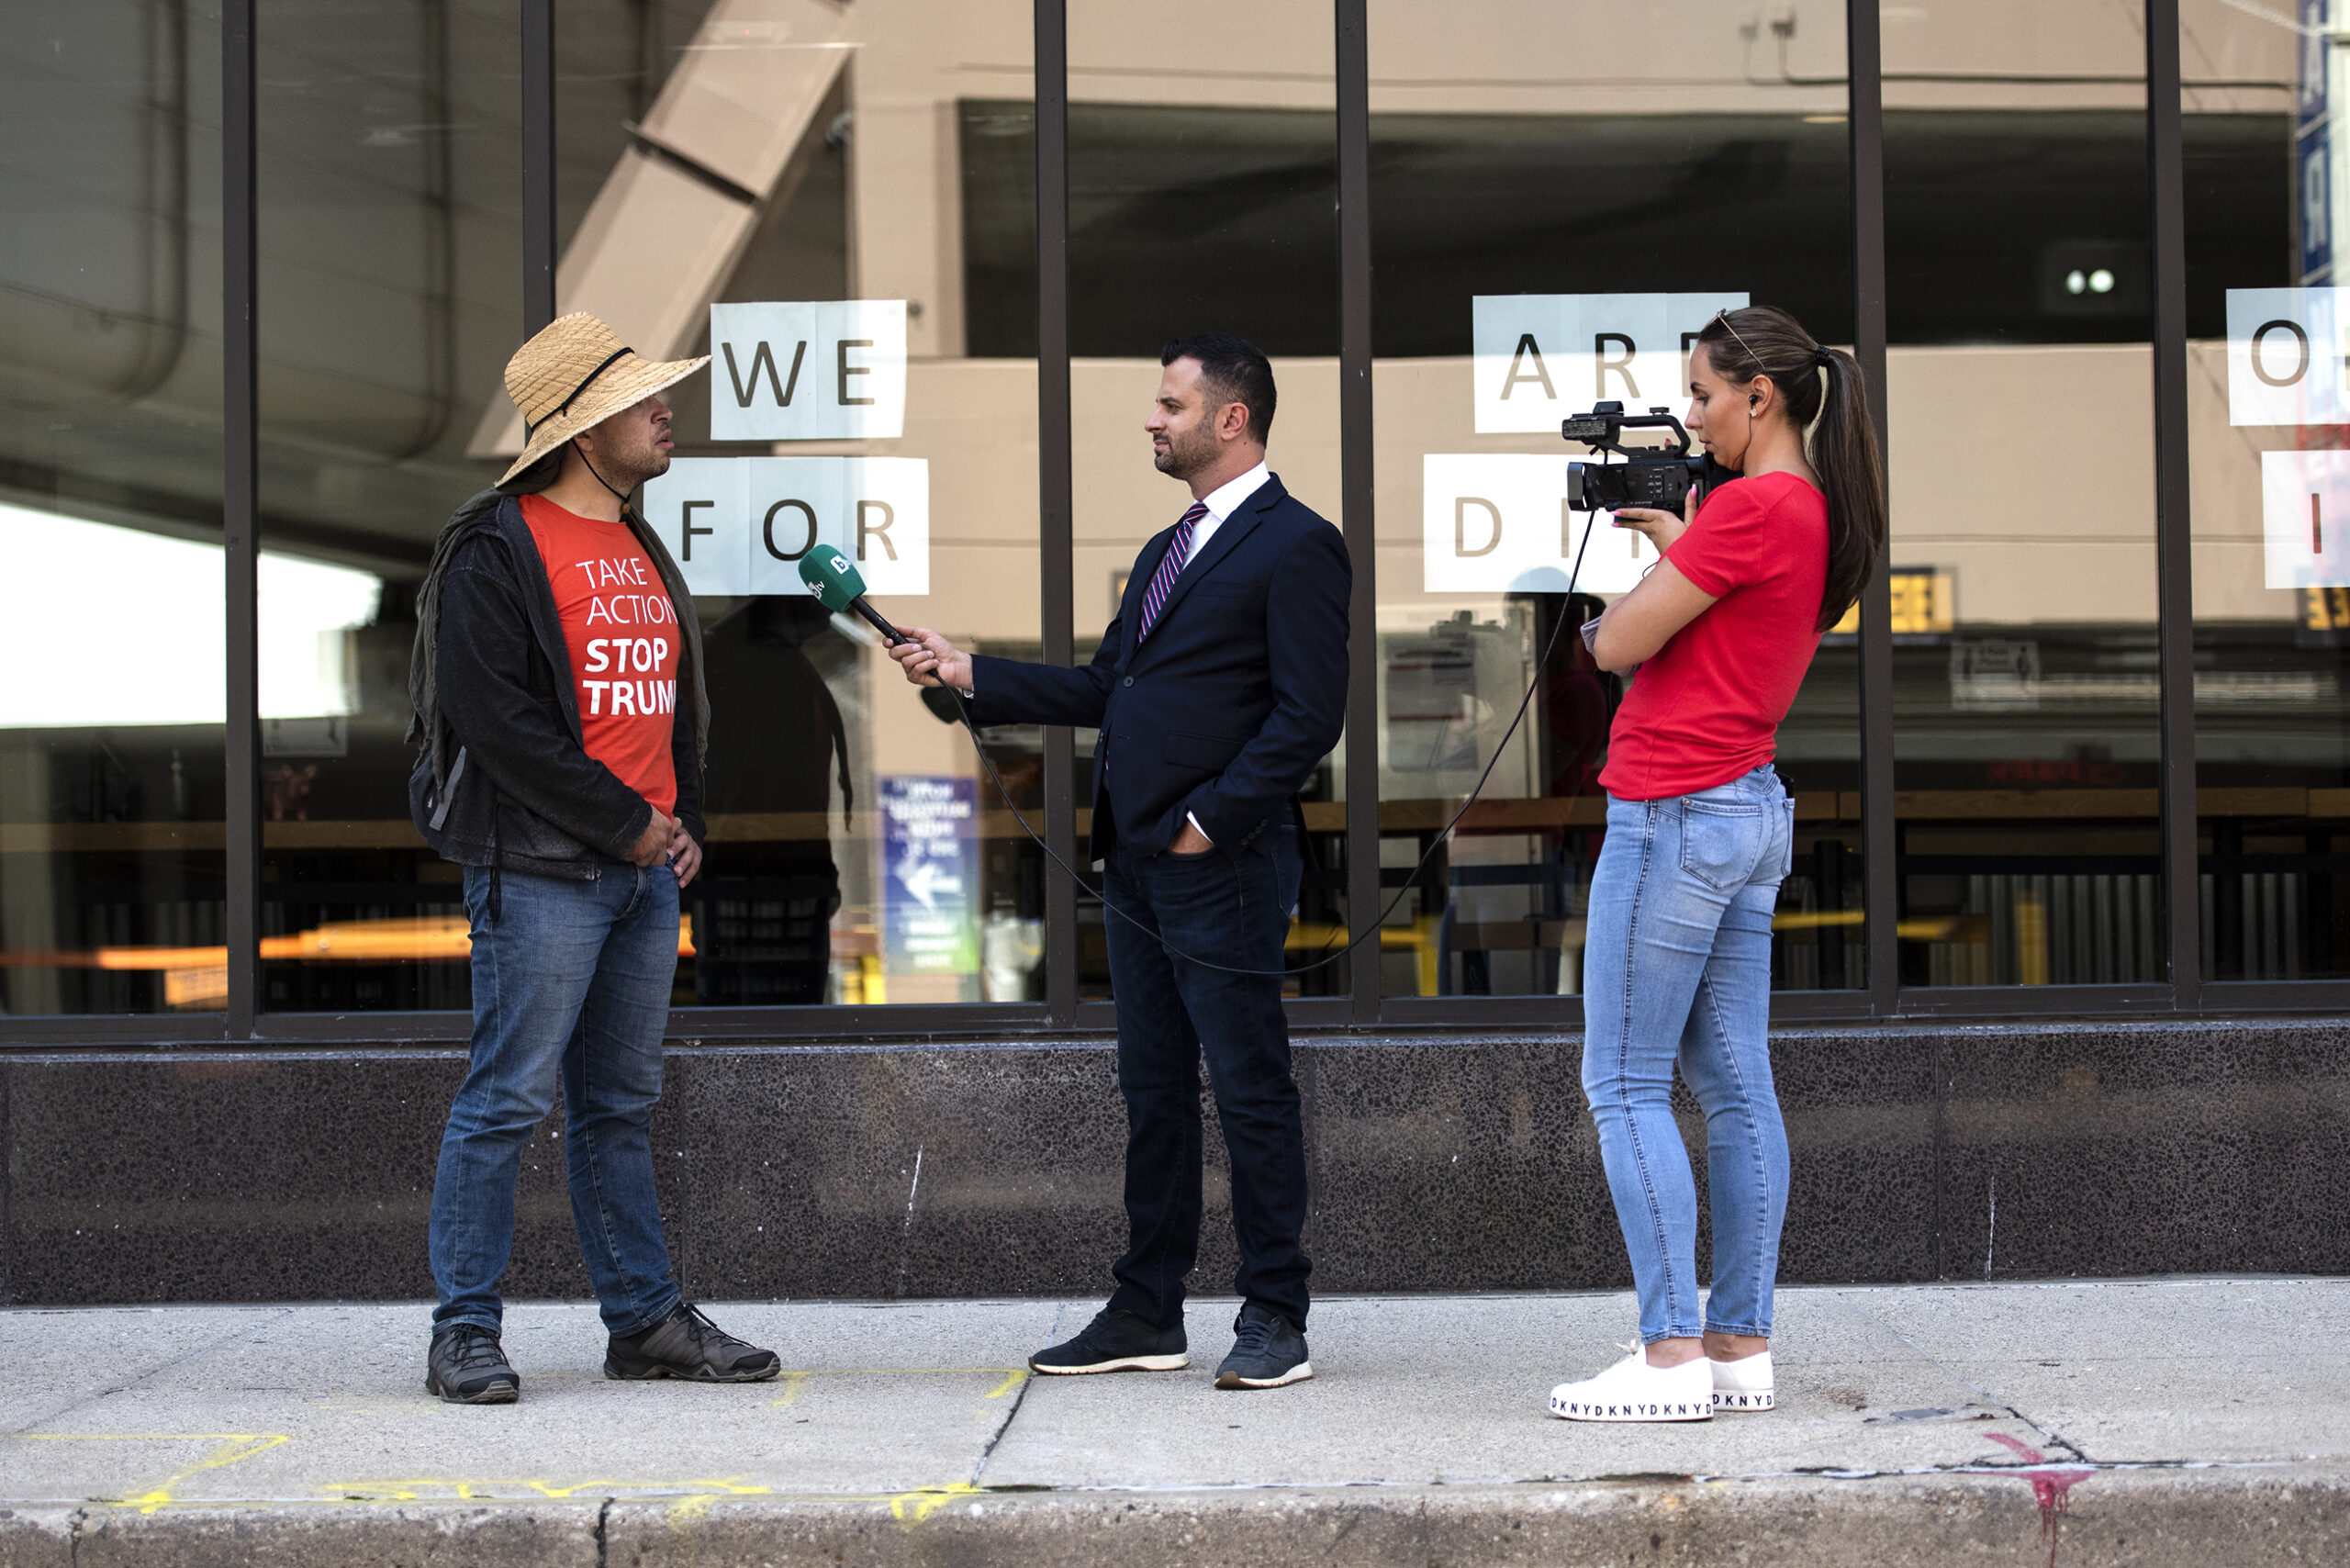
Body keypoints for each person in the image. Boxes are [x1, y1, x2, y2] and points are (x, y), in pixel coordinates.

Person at [887, 334, 1348, 1390]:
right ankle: (1147, 1309)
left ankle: (1276, 1312)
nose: (1152, 419)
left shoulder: (1298, 545)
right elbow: (1111, 690)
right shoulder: (1163, 552)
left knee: (1249, 1087)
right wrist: (972, 672)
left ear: (1230, 418)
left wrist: (1210, 821)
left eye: (1169, 404)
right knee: (1153, 1091)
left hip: (1218, 862)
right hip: (1138, 863)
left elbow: (1306, 717)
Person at [407, 312, 779, 1403]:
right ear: (582, 430)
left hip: (640, 877)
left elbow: (671, 707)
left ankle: (645, 1321)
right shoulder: (497, 549)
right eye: (643, 401)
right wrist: (627, 823)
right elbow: (496, 721)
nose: (667, 411)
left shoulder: (637, 543)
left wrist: (681, 819)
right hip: (540, 870)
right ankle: (464, 1330)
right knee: (506, 1099)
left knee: (617, 1104)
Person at [1547, 306, 1885, 1423]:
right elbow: (1722, 630)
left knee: (1626, 1081)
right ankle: (1739, 1345)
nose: (1690, 416)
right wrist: (1676, 542)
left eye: (1700, 394)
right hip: (1746, 808)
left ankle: (1668, 1357)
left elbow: (1616, 644)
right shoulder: (1807, 512)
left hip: (1671, 811)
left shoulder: (1747, 510)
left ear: (1761, 395)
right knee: (1737, 1086)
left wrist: (1657, 565)